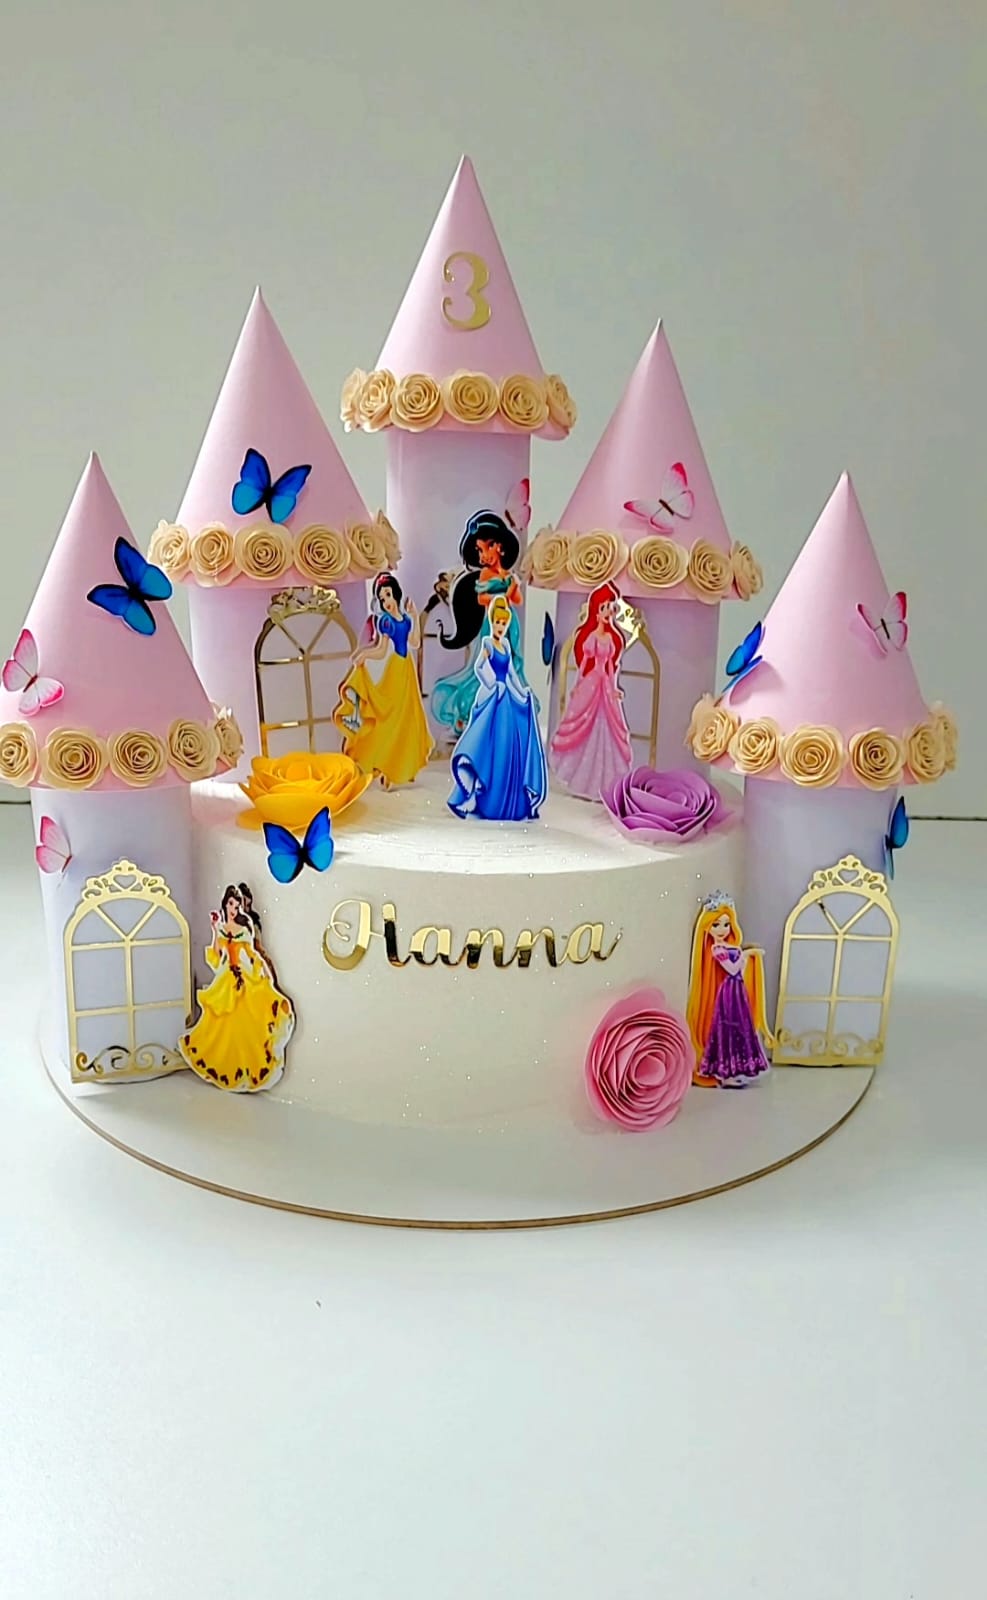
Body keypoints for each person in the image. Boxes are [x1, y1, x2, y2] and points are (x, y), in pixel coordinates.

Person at [179, 886, 294, 1093]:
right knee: (222, 1025)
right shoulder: (223, 927)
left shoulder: (245, 926)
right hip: (227, 978)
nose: (233, 908)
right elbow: (217, 956)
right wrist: (215, 929)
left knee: (248, 1022)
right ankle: (225, 1064)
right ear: (225, 904)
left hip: (246, 975)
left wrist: (266, 975)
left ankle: (251, 1065)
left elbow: (252, 954)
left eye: (237, 905)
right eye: (231, 904)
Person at [430, 511, 533, 737]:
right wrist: (499, 593)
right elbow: (481, 599)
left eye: (488, 547)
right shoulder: (486, 575)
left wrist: (511, 587)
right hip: (491, 621)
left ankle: (507, 710)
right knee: (487, 661)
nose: (484, 554)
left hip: (509, 621)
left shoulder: (506, 574)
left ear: (500, 547)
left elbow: (517, 600)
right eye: (479, 550)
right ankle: (473, 709)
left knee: (510, 661)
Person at [448, 596, 547, 822]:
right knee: (490, 742)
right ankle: (482, 795)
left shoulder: (506, 646)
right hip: (494, 697)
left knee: (508, 744)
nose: (500, 627)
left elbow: (511, 673)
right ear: (491, 622)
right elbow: (479, 667)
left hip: (507, 697)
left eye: (504, 623)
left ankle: (507, 800)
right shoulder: (488, 644)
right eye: (497, 622)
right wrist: (492, 683)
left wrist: (522, 692)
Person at [333, 571, 433, 786]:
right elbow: (380, 649)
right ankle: (384, 764)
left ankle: (402, 765)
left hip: (407, 670)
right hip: (394, 669)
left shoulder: (405, 619)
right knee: (390, 718)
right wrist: (364, 655)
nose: (386, 601)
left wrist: (415, 617)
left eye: (388, 595)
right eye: (382, 597)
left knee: (407, 719)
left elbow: (415, 642)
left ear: (396, 594)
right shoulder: (385, 622)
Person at [549, 581, 633, 799]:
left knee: (608, 725)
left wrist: (614, 688)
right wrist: (578, 685)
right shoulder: (592, 637)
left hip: (605, 684)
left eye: (610, 607)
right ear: (596, 610)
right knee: (582, 722)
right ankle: (578, 774)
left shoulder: (612, 638)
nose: (608, 611)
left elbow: (612, 666)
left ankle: (604, 779)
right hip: (591, 681)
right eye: (604, 607)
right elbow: (584, 664)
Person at [686, 896, 771, 1087]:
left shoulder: (728, 946)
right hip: (729, 989)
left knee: (740, 1026)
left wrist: (743, 955)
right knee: (727, 1027)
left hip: (737, 989)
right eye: (716, 925)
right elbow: (732, 969)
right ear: (707, 928)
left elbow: (738, 969)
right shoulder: (717, 949)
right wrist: (745, 955)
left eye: (726, 924)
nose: (722, 929)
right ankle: (725, 1072)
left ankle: (737, 1069)